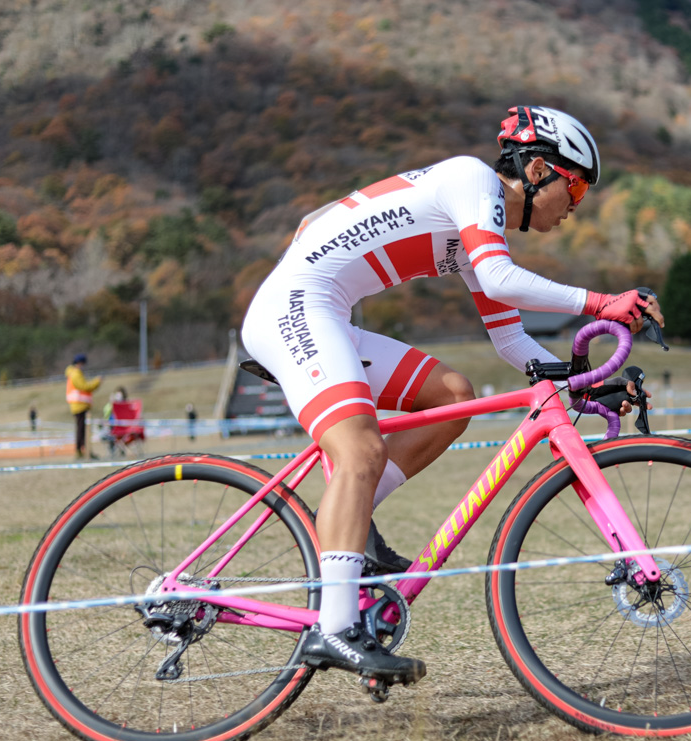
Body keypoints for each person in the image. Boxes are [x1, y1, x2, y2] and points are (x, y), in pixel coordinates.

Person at [241, 105, 663, 689]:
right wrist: (600, 302)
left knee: (453, 396)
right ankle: (334, 627)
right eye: (578, 187)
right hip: (298, 307)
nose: (577, 206)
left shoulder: (476, 228)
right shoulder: (473, 179)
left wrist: (581, 384)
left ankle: (350, 519)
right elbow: (499, 279)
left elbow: (512, 341)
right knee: (360, 453)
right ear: (539, 170)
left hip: (324, 311)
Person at [65, 354, 101, 459]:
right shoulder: (76, 373)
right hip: (79, 406)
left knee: (82, 430)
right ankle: (81, 451)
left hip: (79, 405)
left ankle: (84, 451)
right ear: (79, 363)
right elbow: (84, 387)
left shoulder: (73, 373)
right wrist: (97, 382)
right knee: (81, 430)